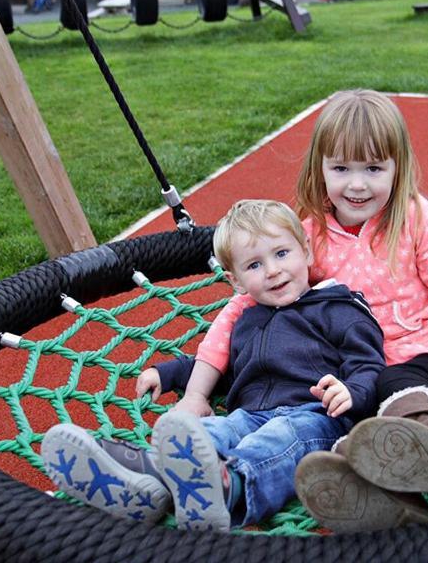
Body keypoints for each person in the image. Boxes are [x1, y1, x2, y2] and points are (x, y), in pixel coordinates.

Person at [193, 89, 428, 532]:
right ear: (321, 169)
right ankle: (383, 492)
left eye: (373, 168)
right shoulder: (309, 233)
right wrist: (195, 392)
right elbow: (243, 307)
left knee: (401, 384)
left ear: (398, 168)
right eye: (341, 168)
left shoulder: (414, 218)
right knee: (342, 422)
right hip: (355, 374)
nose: (357, 185)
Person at [41, 199, 387, 531]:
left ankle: (228, 489)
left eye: (282, 253)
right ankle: (145, 479)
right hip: (249, 415)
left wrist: (352, 392)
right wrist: (169, 372)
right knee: (211, 432)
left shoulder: (337, 307)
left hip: (315, 419)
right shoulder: (248, 320)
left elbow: (369, 364)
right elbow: (223, 370)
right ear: (236, 281)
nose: (273, 270)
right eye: (254, 265)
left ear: (307, 252)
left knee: (279, 439)